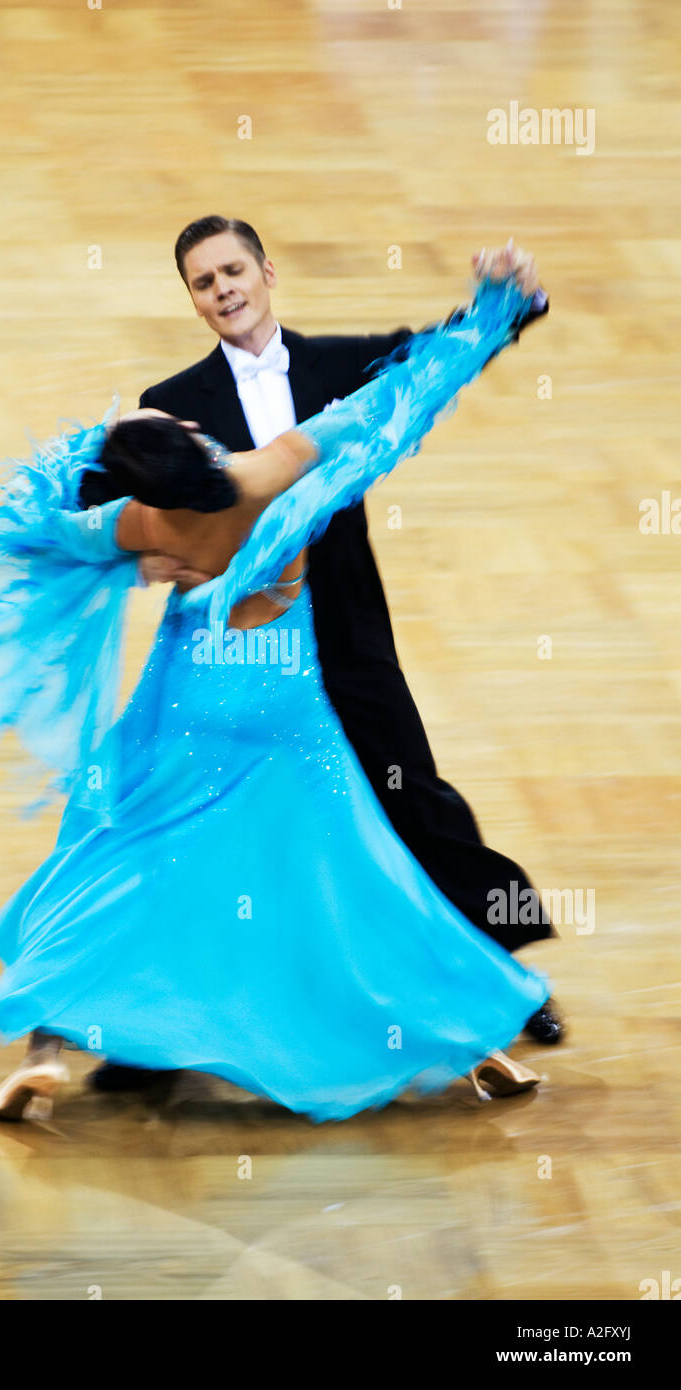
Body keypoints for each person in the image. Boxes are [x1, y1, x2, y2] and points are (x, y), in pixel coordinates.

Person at [0, 246, 552, 1125]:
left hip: (188, 707)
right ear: (196, 448)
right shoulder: (269, 475)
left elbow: (46, 532)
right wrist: (486, 320)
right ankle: (473, 1045)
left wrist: (104, 528)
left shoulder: (140, 523)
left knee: (104, 857)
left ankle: (46, 1056)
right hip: (285, 705)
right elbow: (383, 405)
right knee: (357, 876)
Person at [112, 217, 562, 1074]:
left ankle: (505, 976)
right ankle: (145, 1037)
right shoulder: (171, 399)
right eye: (204, 283)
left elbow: (442, 355)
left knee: (409, 793)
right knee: (201, 821)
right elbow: (110, 492)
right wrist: (145, 552)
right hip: (240, 657)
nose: (224, 291)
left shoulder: (340, 365)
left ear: (267, 271)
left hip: (345, 621)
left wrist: (509, 300)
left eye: (233, 270)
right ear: (193, 300)